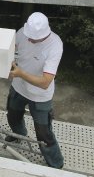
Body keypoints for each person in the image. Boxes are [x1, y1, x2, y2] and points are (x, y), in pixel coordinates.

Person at [6, 12, 64, 169]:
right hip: (18, 87)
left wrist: (20, 73)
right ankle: (19, 134)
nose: (29, 39)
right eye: (28, 35)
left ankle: (56, 163)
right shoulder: (23, 33)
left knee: (43, 132)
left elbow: (45, 82)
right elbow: (12, 48)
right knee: (12, 116)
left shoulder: (55, 45)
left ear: (44, 34)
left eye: (33, 38)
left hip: (40, 96)